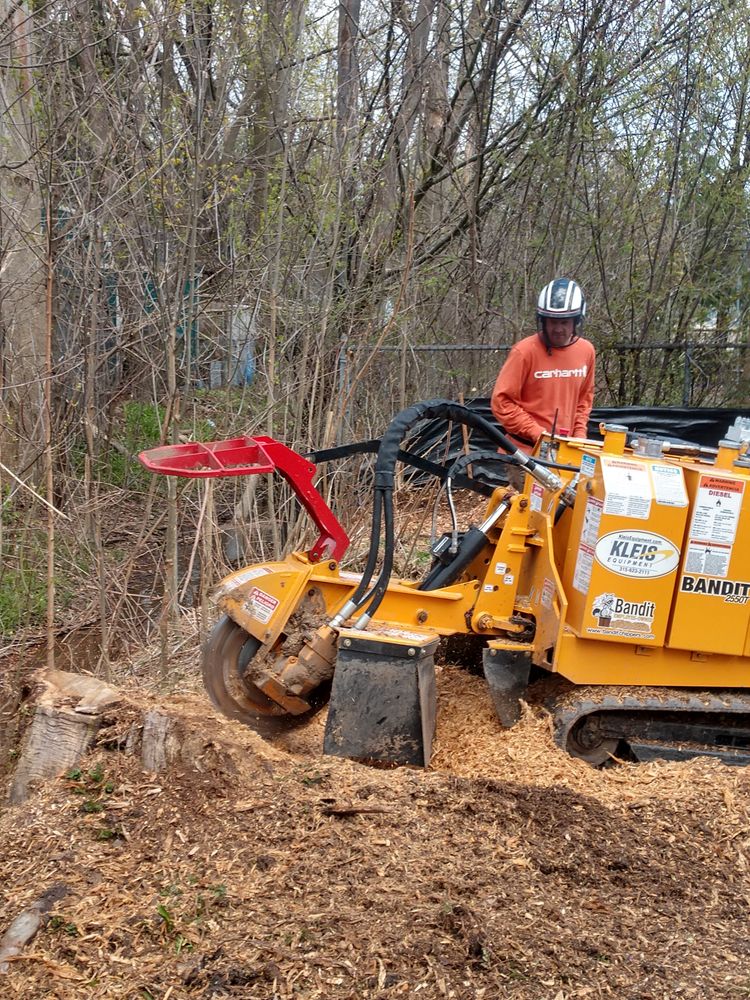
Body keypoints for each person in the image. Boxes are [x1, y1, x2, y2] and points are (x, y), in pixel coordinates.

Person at [491, 277, 595, 457]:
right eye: (553, 322)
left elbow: (584, 400)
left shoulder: (586, 351)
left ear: (576, 321)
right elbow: (502, 402)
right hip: (524, 452)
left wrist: (579, 435)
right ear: (543, 321)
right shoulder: (524, 351)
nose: (558, 329)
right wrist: (536, 432)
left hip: (565, 452)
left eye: (565, 322)